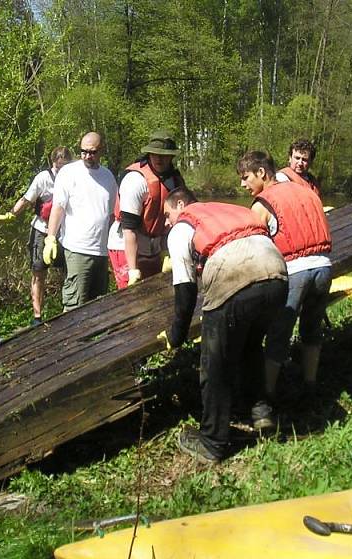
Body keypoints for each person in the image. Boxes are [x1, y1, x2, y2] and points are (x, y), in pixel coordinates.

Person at [161, 187, 288, 463]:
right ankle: (261, 413)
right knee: (251, 346)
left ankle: (212, 442)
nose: (166, 222)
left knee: (214, 364)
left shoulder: (182, 228)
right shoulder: (230, 209)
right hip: (277, 274)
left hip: (234, 276)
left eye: (167, 215)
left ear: (180, 205)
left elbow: (185, 292)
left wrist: (176, 336)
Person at [240, 151, 333, 411]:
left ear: (262, 173)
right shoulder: (307, 191)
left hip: (296, 272)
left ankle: (268, 393)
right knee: (312, 330)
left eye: (246, 177)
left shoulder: (262, 203)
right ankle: (310, 385)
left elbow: (253, 249)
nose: (243, 185)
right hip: (324, 268)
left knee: (278, 333)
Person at [0, 147, 73, 326]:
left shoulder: (74, 177)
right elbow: (26, 199)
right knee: (38, 272)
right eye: (59, 167)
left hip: (65, 232)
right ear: (53, 164)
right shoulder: (43, 178)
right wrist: (10, 214)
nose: (62, 171)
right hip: (41, 231)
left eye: (66, 166)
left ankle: (68, 311)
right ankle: (37, 316)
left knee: (69, 271)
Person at [43, 132, 117, 311]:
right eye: (83, 152)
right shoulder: (69, 173)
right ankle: (70, 340)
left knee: (98, 308)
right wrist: (51, 238)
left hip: (101, 251)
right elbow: (58, 207)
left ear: (101, 151)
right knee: (75, 307)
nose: (87, 156)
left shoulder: (108, 177)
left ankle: (95, 340)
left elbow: (112, 214)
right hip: (77, 249)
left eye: (92, 152)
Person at [107, 130, 186, 288]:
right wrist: (133, 269)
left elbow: (176, 223)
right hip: (124, 244)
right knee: (130, 295)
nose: (159, 158)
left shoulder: (175, 181)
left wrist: (166, 251)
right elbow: (129, 229)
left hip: (154, 246)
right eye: (155, 154)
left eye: (164, 154)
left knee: (155, 292)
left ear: (171, 156)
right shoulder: (135, 181)